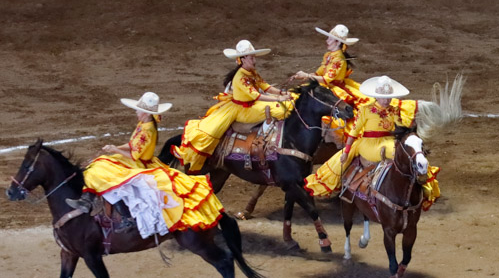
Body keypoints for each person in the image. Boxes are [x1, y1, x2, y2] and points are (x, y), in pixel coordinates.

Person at [69, 93, 225, 238]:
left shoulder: (147, 130)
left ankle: (123, 216)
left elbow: (134, 154)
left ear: (146, 113)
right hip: (136, 160)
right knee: (99, 164)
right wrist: (115, 147)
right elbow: (132, 144)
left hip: (139, 164)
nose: (136, 112)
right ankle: (88, 200)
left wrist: (115, 150)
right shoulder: (144, 124)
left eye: (139, 110)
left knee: (105, 173)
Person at [305, 76, 440, 209]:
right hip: (369, 144)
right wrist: (346, 151)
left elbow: (400, 128)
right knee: (398, 153)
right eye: (383, 97)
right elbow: (354, 132)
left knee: (409, 152)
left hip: (389, 141)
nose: (386, 100)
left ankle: (417, 179)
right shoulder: (365, 110)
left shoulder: (394, 110)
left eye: (389, 97)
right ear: (376, 96)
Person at [173, 40, 294, 174]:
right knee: (279, 109)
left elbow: (265, 87)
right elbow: (256, 96)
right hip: (244, 110)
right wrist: (279, 99)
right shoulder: (240, 77)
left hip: (250, 105)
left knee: (285, 104)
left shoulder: (251, 72)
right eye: (251, 58)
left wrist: (282, 93)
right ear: (243, 59)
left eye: (254, 57)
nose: (254, 60)